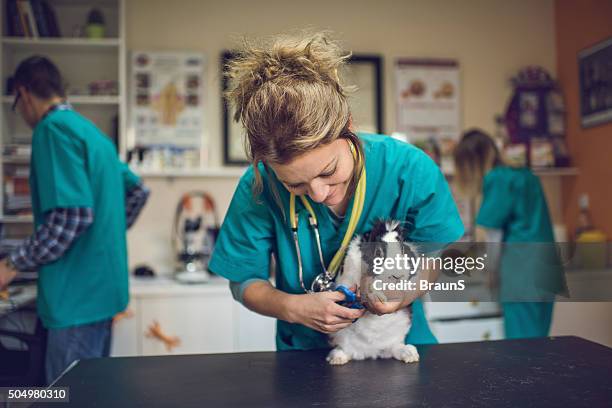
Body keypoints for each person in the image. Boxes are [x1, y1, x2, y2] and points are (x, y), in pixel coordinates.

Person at [208, 33, 464, 351]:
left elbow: (433, 258)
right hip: (306, 360)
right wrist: (294, 307)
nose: (317, 193)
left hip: (398, 346)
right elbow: (244, 280)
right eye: (294, 185)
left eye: (328, 172)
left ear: (349, 127)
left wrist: (403, 293)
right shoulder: (258, 186)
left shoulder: (408, 169)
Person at [0, 56, 150, 384]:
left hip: (75, 301)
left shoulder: (51, 129)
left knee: (63, 398)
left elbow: (71, 216)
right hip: (105, 293)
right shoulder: (92, 134)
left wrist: (10, 265)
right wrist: (103, 235)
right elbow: (138, 191)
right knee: (91, 393)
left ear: (23, 94)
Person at [453, 129, 565, 339]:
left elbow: (494, 235)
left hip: (521, 273)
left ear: (471, 163)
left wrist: (490, 272)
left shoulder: (497, 178)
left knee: (522, 351)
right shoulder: (524, 174)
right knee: (539, 343)